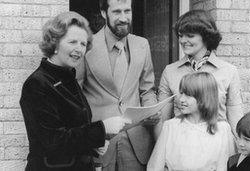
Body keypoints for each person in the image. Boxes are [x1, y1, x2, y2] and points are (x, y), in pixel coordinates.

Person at [20, 11, 127, 171]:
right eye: (72, 42)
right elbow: (54, 141)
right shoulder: (37, 84)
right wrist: (102, 129)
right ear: (54, 43)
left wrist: (93, 146)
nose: (79, 49)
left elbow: (73, 130)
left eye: (83, 44)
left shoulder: (68, 78)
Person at [76, 0, 160, 170]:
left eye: (127, 11)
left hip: (137, 144)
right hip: (99, 145)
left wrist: (152, 109)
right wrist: (87, 135)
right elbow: (76, 97)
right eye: (117, 12)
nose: (123, 18)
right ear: (103, 12)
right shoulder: (85, 45)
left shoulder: (142, 44)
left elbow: (147, 90)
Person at [156, 9, 243, 138]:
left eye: (190, 36)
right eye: (180, 35)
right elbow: (162, 121)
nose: (183, 40)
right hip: (182, 145)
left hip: (218, 145)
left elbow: (236, 120)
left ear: (206, 36)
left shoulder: (229, 71)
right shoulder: (170, 71)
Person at [147, 72, 235, 171]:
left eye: (188, 95)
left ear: (204, 97)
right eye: (181, 93)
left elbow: (227, 166)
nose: (181, 99)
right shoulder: (170, 127)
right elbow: (155, 166)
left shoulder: (222, 129)